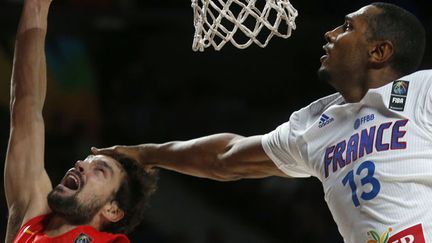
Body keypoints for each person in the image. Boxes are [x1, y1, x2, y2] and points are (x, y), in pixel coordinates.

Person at [93, 2, 431, 242]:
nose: (329, 33)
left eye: (346, 27)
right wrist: (146, 155)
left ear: (379, 51)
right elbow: (225, 157)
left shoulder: (422, 92)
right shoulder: (315, 124)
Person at [4, 0, 158, 242]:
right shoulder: (32, 218)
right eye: (88, 161)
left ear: (112, 209)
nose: (80, 164)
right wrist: (37, 6)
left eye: (100, 171)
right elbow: (26, 105)